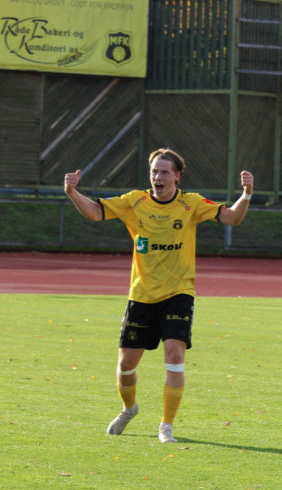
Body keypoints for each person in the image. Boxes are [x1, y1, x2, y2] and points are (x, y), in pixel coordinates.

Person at [64, 149, 254, 443]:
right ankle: (129, 409)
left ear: (177, 176)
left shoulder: (191, 203)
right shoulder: (134, 201)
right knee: (126, 365)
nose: (158, 177)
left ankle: (166, 426)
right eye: (154, 171)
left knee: (175, 356)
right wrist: (71, 191)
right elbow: (95, 212)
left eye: (165, 172)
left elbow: (233, 218)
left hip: (179, 292)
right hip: (142, 294)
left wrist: (247, 193)